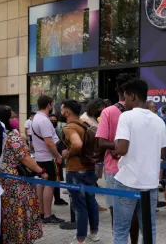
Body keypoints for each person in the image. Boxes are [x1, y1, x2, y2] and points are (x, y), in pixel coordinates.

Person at [113, 79, 166, 244]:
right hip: (150, 182)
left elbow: (121, 149)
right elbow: (162, 151)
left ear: (133, 96)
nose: (125, 102)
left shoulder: (126, 116)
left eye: (126, 98)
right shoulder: (159, 120)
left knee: (121, 229)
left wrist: (115, 147)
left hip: (127, 180)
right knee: (149, 229)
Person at [95, 73, 141, 243]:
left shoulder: (108, 112)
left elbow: (100, 142)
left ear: (117, 89)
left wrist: (116, 147)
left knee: (116, 211)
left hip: (114, 169)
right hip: (135, 168)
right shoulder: (140, 112)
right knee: (135, 210)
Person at [0, 105, 46, 243]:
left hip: (3, 180)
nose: (16, 119)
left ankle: (8, 238)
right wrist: (40, 171)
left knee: (7, 212)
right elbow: (25, 158)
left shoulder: (1, 134)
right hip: (17, 182)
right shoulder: (12, 136)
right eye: (12, 117)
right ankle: (21, 239)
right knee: (20, 211)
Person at [60, 100, 100, 244]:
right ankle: (94, 233)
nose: (60, 110)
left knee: (79, 205)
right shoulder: (85, 124)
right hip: (89, 167)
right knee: (91, 201)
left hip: (76, 170)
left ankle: (80, 239)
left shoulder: (69, 127)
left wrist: (68, 154)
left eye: (62, 108)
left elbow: (77, 144)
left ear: (67, 112)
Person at [32, 95, 65, 224]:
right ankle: (47, 215)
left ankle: (41, 212)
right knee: (49, 185)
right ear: (49, 105)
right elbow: (49, 143)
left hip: (40, 156)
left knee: (41, 184)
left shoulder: (36, 118)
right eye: (52, 105)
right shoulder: (44, 120)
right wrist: (58, 156)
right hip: (48, 157)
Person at [49, 114, 68, 206]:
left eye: (55, 120)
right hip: (54, 157)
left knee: (58, 178)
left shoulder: (58, 129)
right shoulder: (48, 131)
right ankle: (56, 198)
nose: (53, 122)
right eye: (51, 120)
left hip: (59, 156)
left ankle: (57, 198)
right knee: (54, 179)